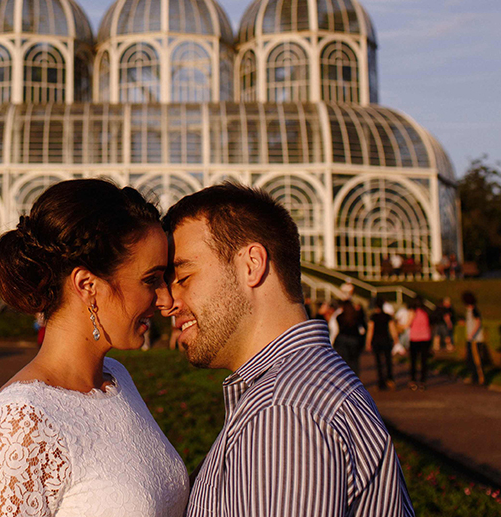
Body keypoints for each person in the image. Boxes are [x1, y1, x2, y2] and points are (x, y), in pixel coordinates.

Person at [164, 182, 413, 517]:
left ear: (251, 265)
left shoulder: (285, 410)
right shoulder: (309, 383)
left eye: (183, 277)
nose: (168, 302)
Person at [0, 179, 187, 516]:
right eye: (150, 279)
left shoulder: (118, 381)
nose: (166, 298)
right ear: (87, 285)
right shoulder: (22, 421)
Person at [333, 298, 365, 377]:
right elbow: (363, 328)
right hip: (354, 339)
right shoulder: (357, 316)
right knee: (354, 362)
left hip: (342, 340)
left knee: (344, 363)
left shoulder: (340, 317)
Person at [463, 290, 488, 385]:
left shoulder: (474, 310)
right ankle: (474, 378)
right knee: (470, 360)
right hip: (470, 340)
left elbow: (478, 323)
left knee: (477, 360)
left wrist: (472, 334)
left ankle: (481, 378)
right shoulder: (469, 311)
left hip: (475, 340)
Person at [407, 296, 432, 390]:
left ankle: (413, 381)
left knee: (413, 361)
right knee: (424, 361)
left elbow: (408, 324)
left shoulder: (413, 312)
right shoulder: (426, 312)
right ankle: (423, 381)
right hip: (425, 338)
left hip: (415, 338)